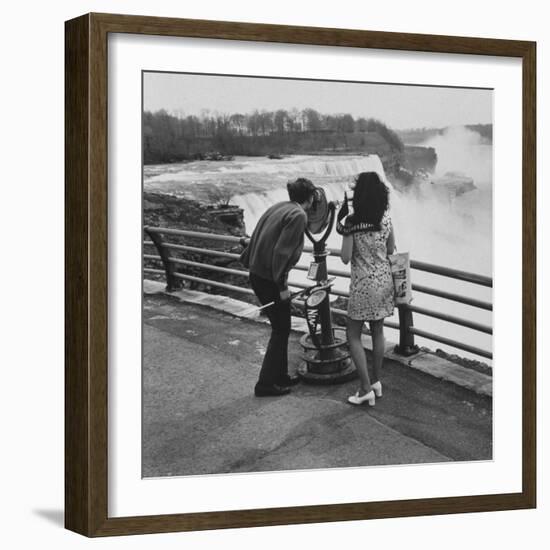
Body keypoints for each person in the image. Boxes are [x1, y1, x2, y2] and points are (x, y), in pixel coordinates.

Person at [240, 178, 317, 397]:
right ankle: (265, 384)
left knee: (282, 326)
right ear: (311, 197)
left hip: (258, 274)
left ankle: (280, 376)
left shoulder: (279, 207)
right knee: (281, 329)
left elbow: (257, 235)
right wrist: (282, 286)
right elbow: (281, 254)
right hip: (269, 279)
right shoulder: (299, 216)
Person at [338, 171, 396, 406]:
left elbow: (344, 257)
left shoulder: (353, 222)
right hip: (384, 283)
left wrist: (344, 228)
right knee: (378, 331)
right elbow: (391, 249)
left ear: (358, 195)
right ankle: (375, 382)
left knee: (352, 335)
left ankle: (364, 390)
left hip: (362, 285)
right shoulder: (386, 219)